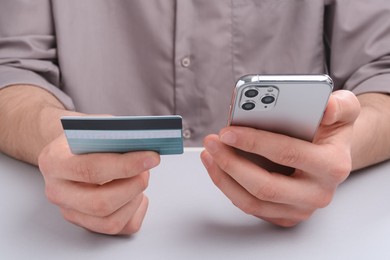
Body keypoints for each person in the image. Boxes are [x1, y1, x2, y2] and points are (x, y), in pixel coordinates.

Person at [1, 1, 390, 235]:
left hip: (299, 236)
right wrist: (63, 143)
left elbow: (382, 72)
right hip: (78, 234)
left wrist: (342, 146)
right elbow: (11, 69)